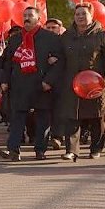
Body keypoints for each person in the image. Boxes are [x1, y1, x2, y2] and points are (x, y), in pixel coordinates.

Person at [0, 7, 64, 161]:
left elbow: (59, 62)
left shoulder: (50, 38)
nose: (27, 18)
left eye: (30, 15)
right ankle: (13, 150)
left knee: (42, 119)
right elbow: (7, 62)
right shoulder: (15, 39)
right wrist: (4, 80)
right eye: (25, 15)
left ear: (38, 18)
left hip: (41, 85)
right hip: (19, 85)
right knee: (17, 118)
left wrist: (49, 81)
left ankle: (40, 150)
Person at [59, 2, 105, 162]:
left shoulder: (101, 34)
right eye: (77, 14)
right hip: (73, 83)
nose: (80, 17)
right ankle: (71, 150)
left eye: (83, 14)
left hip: (95, 83)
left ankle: (96, 148)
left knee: (97, 117)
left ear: (91, 16)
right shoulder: (67, 36)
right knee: (72, 116)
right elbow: (61, 58)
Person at [44, 18, 65, 150]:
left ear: (60, 28)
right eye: (49, 28)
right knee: (45, 112)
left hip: (61, 82)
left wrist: (58, 59)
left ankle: (57, 137)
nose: (51, 30)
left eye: (54, 27)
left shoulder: (65, 41)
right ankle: (43, 138)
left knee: (59, 111)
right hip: (44, 82)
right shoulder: (42, 41)